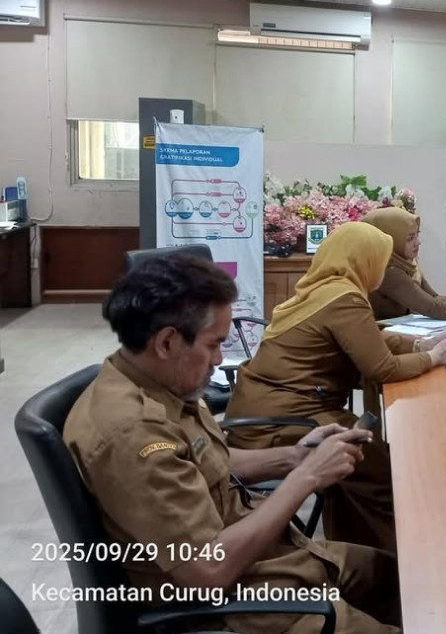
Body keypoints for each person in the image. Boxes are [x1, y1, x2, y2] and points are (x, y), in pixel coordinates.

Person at [64, 253, 401, 634]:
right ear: (167, 342)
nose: (220, 359)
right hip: (237, 604)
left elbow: (210, 462)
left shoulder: (159, 384)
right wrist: (305, 478)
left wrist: (295, 456)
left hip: (269, 561)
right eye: (213, 344)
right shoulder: (134, 433)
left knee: (402, 578)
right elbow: (208, 571)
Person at [225, 222, 446, 552]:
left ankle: (359, 550)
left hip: (268, 410)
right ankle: (391, 560)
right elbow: (381, 367)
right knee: (376, 463)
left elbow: (371, 339)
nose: (383, 266)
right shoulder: (344, 298)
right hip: (281, 422)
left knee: (366, 459)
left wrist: (421, 345)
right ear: (364, 259)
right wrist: (434, 357)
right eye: (381, 258)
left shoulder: (323, 287)